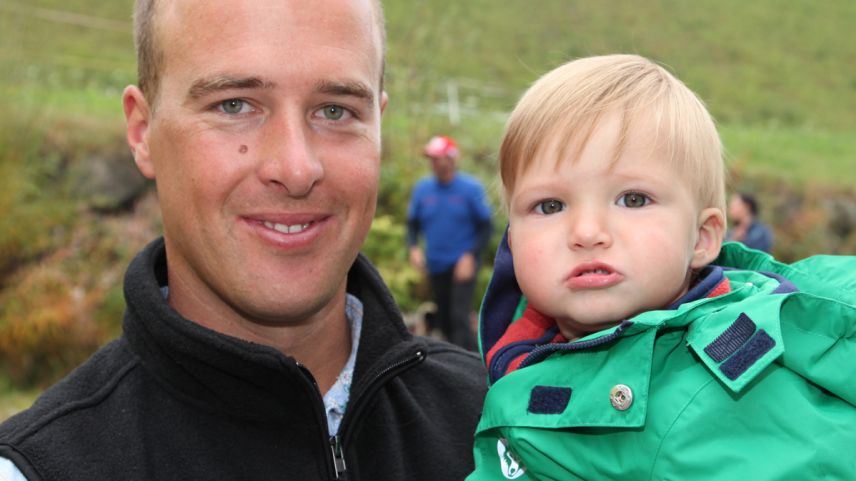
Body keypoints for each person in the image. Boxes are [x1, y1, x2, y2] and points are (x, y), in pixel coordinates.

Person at [0, 1, 488, 479]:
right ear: (143, 132)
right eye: (234, 105)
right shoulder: (38, 467)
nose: (297, 169)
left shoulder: (513, 433)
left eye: (336, 111)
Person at [467, 54, 856, 480]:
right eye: (550, 205)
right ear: (511, 239)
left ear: (702, 237)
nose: (587, 231)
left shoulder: (787, 340)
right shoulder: (514, 387)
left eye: (633, 199)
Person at [407, 135, 493, 351]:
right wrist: (414, 248)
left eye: (439, 158)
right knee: (443, 318)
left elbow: (486, 227)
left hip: (461, 265)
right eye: (432, 159)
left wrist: (470, 256)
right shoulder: (423, 189)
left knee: (459, 318)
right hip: (436, 263)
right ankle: (453, 366)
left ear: (452, 159)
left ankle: (474, 369)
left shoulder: (470, 189)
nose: (435, 163)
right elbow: (412, 224)